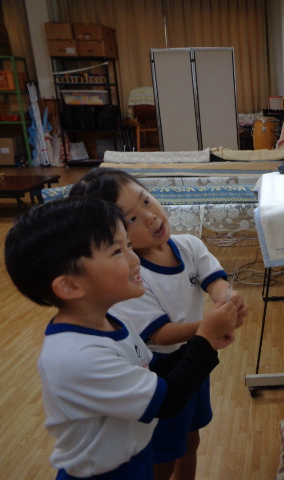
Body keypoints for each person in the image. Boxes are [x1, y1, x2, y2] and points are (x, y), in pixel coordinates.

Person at [4, 197, 242, 480]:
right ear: (69, 285)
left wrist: (205, 341)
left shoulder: (112, 322)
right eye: (117, 251)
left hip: (133, 458)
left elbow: (151, 373)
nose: (134, 259)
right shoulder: (78, 357)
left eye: (128, 245)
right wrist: (204, 337)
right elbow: (167, 400)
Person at [69, 168, 250, 480]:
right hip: (160, 368)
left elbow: (215, 281)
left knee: (191, 439)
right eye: (132, 219)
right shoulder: (131, 276)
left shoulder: (189, 245)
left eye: (146, 201)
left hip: (196, 356)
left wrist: (227, 299)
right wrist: (209, 328)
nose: (150, 217)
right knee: (164, 452)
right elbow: (161, 335)